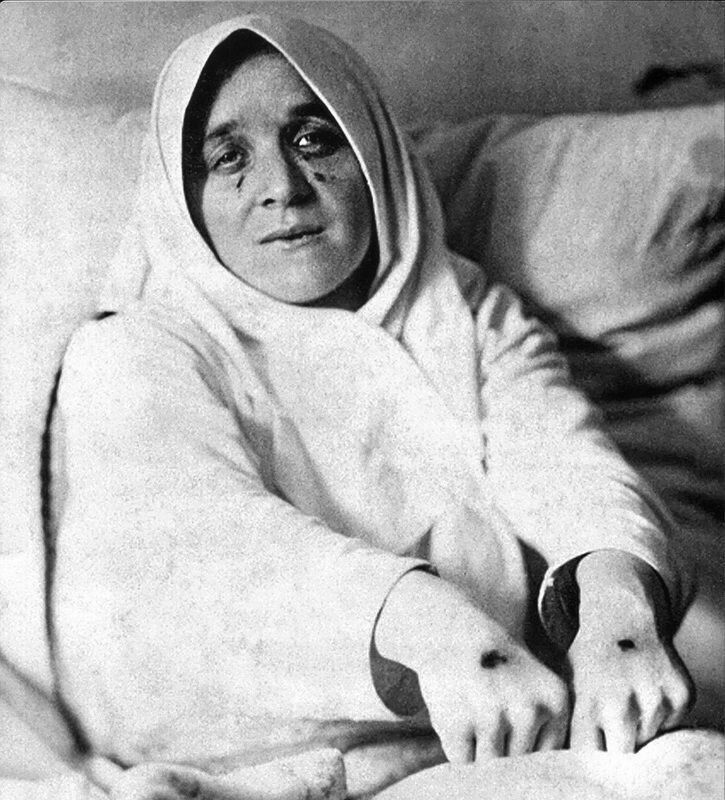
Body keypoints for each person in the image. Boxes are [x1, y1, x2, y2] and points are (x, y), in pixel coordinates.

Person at [51, 14, 693, 795]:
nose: (282, 189)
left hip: (478, 736)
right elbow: (208, 543)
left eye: (313, 139)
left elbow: (561, 459)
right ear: (183, 198)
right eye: (228, 158)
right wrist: (428, 624)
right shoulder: (136, 348)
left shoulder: (461, 310)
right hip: (244, 749)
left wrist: (618, 610)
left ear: (373, 151)